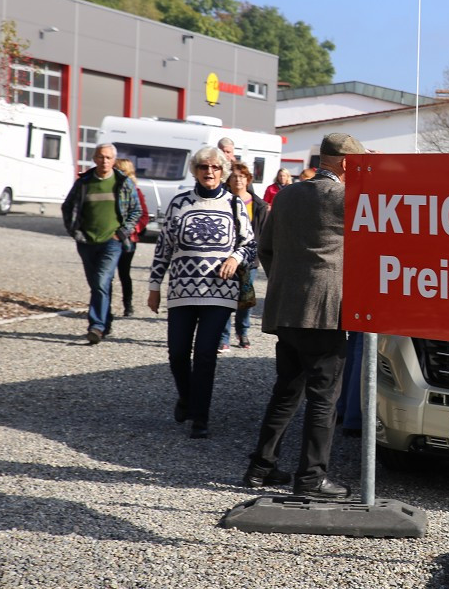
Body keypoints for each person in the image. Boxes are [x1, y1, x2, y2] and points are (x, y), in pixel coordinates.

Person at [243, 132, 365, 497]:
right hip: (325, 311)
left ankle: (260, 468)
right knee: (323, 397)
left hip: (287, 307)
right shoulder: (348, 199)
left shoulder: (287, 195)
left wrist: (288, 282)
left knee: (286, 391)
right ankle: (311, 478)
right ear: (344, 163)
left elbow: (266, 249)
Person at [147, 146, 254, 439]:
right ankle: (186, 397)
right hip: (182, 290)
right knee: (178, 353)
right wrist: (154, 286)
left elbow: (250, 244)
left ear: (223, 171)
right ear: (195, 170)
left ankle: (200, 418)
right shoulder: (179, 203)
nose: (209, 172)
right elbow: (164, 247)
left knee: (206, 354)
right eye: (204, 167)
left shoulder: (234, 204)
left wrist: (235, 258)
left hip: (219, 293)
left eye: (215, 168)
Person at [62, 143, 142, 345]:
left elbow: (136, 210)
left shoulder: (122, 182)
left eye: (108, 157)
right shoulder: (84, 182)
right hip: (87, 241)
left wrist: (121, 233)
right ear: (94, 159)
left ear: (114, 160)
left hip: (111, 242)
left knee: (101, 282)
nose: (104, 161)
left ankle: (96, 326)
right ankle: (106, 320)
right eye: (101, 157)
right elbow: (68, 207)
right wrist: (75, 231)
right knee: (96, 285)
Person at [219, 162, 269, 353]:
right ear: (229, 180)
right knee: (226, 298)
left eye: (242, 177)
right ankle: (223, 337)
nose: (238, 180)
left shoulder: (259, 205)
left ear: (248, 180)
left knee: (245, 298)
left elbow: (263, 234)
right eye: (234, 177)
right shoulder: (223, 201)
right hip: (225, 257)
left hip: (249, 258)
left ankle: (243, 332)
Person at [113, 158, 150, 317]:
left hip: (128, 239)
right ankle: (104, 306)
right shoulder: (111, 189)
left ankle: (128, 305)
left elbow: (143, 216)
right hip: (109, 237)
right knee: (106, 273)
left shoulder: (136, 191)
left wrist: (132, 230)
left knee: (123, 273)